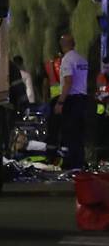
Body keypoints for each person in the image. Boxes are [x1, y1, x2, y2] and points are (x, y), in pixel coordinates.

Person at [53, 34, 89, 169]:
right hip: (83, 99)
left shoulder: (67, 60)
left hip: (72, 100)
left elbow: (68, 82)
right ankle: (79, 162)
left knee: (70, 133)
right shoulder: (82, 59)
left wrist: (60, 102)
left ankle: (72, 163)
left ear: (62, 46)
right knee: (79, 133)